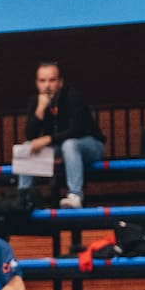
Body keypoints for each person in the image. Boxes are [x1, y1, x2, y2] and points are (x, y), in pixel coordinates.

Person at [19, 62, 105, 209]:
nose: (47, 85)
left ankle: (75, 195)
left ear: (60, 82)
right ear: (37, 83)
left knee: (69, 144)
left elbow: (76, 130)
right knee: (27, 147)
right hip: (59, 148)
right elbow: (30, 135)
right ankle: (24, 196)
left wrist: (48, 139)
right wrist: (40, 111)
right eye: (42, 81)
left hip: (89, 146)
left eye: (52, 80)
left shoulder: (73, 96)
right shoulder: (36, 101)